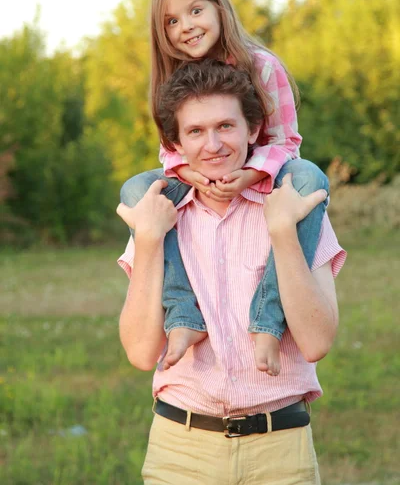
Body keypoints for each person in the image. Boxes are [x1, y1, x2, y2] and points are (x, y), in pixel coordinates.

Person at [117, 59, 346, 485]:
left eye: (226, 126)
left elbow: (316, 342)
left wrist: (281, 231)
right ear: (176, 142)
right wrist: (148, 240)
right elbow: (140, 352)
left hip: (280, 449)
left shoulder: (295, 207)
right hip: (180, 451)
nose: (213, 145)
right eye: (195, 132)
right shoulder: (159, 215)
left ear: (253, 130)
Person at [120, 0, 329, 376]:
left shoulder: (262, 66)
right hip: (196, 175)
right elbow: (171, 151)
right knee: (136, 189)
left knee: (311, 178)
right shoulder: (173, 79)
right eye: (172, 21)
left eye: (195, 11)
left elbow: (286, 142)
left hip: (261, 174)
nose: (186, 26)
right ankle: (183, 313)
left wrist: (250, 176)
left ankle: (268, 319)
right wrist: (190, 174)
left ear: (219, 8)